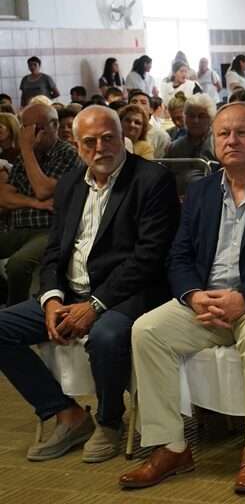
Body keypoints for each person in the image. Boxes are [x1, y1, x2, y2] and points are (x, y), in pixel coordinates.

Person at [119, 102, 245, 494]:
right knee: (146, 330)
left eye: (241, 132)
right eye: (224, 133)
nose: (231, 140)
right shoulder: (201, 190)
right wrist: (194, 296)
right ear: (213, 141)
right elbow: (179, 255)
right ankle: (172, 446)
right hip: (208, 300)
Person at [0, 105, 177, 463]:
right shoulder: (69, 186)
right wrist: (51, 299)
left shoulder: (151, 180)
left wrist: (94, 305)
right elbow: (53, 253)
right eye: (90, 142)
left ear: (122, 138)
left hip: (126, 294)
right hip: (70, 293)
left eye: (108, 138)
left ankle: (109, 422)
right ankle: (66, 413)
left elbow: (148, 258)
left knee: (106, 335)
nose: (101, 148)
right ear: (77, 146)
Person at [0, 102, 80, 305]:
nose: (25, 133)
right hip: (19, 227)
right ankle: (3, 293)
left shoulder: (67, 153)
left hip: (50, 229)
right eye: (23, 127)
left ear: (51, 126)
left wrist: (26, 149)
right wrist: (35, 203)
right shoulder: (23, 158)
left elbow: (43, 189)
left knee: (18, 264)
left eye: (31, 128)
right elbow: (4, 197)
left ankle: (13, 314)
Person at [166, 94, 215, 161]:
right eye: (191, 116)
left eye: (201, 116)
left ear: (211, 119)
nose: (195, 121)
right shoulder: (175, 148)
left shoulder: (218, 145)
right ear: (185, 118)